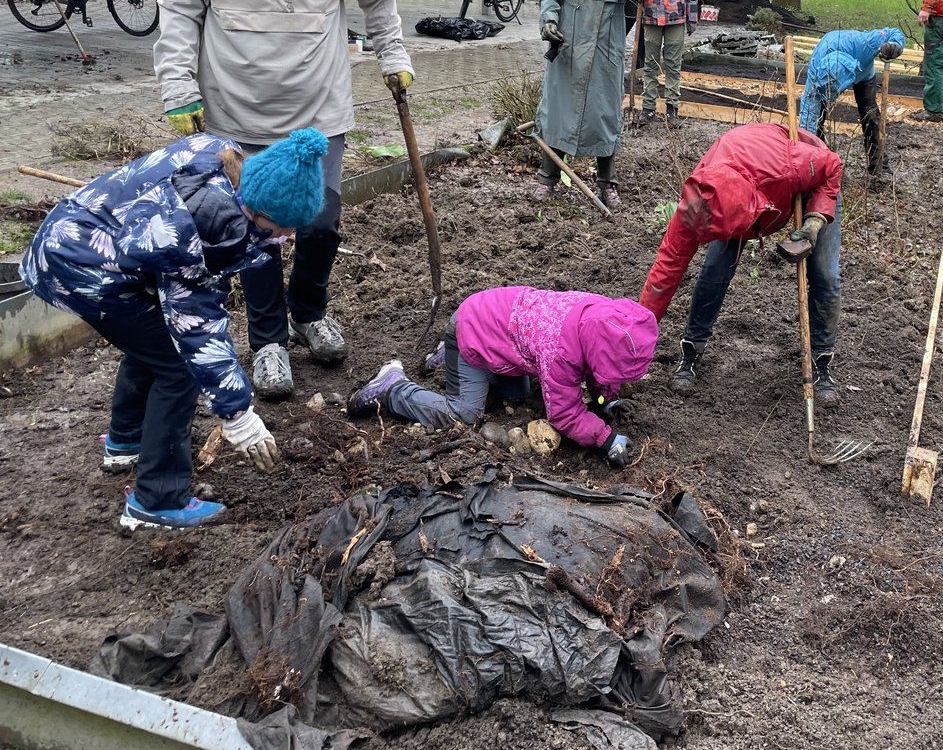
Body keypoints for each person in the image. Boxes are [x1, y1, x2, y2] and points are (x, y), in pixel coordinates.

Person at [153, 0, 415, 402]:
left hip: (317, 110)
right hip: (236, 110)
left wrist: (393, 55)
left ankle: (309, 311)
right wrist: (178, 89)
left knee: (320, 220)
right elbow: (179, 10)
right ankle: (268, 340)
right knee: (254, 232)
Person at [19, 129, 329, 530]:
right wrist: (238, 414)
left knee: (152, 342)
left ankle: (127, 440)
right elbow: (197, 330)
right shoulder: (195, 232)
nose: (287, 238)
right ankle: (157, 499)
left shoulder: (222, 157)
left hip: (86, 231)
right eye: (282, 229)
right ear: (255, 212)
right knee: (179, 367)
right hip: (80, 265)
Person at [639, 122, 844, 403]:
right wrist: (637, 331)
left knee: (825, 275)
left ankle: (821, 361)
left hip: (813, 180)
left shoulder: (787, 166)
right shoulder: (700, 200)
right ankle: (692, 349)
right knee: (715, 269)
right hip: (740, 187)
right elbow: (667, 268)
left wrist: (815, 221)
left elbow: (832, 165)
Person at [347, 288, 656, 467]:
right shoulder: (559, 352)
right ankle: (395, 387)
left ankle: (449, 356)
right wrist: (605, 439)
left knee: (517, 395)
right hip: (473, 328)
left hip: (501, 326)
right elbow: (563, 414)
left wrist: (604, 399)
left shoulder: (600, 315)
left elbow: (600, 367)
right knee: (464, 414)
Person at [536, 0, 650, 209]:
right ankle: (547, 180)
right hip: (569, 47)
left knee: (605, 116)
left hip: (606, 52)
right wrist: (549, 21)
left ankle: (607, 184)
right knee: (557, 112)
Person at [798, 26, 905, 179]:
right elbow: (807, 115)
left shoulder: (864, 43)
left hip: (864, 74)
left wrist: (895, 45)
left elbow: (893, 33)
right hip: (824, 76)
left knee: (871, 116)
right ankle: (818, 163)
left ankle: (879, 167)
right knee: (817, 117)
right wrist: (805, 147)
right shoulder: (816, 75)